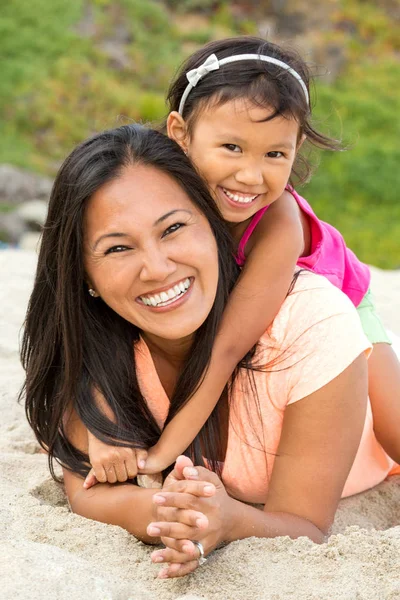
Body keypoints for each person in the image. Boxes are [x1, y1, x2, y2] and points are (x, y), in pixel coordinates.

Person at [21, 124, 400, 580]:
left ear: (215, 224)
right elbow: (86, 488)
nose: (157, 268)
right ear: (85, 274)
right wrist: (170, 514)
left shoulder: (310, 323)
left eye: (174, 228)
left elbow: (305, 526)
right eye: (119, 247)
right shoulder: (90, 349)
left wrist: (231, 520)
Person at [83, 37, 400, 487]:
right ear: (180, 133)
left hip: (339, 305)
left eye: (275, 154)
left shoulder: (279, 222)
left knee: (395, 430)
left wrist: (161, 455)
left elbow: (227, 348)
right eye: (231, 147)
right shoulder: (156, 185)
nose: (250, 176)